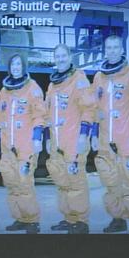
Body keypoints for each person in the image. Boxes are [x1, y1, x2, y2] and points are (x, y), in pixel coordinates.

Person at [91, 35, 129, 234]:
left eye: (116, 47)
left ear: (122, 49)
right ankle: (118, 219)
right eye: (109, 47)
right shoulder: (99, 77)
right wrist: (92, 134)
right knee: (110, 183)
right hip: (105, 141)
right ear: (105, 50)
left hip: (126, 138)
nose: (113, 50)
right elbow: (94, 109)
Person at [44, 44, 96, 234]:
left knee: (76, 182)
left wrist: (83, 136)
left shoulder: (79, 79)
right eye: (57, 56)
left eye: (63, 56)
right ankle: (68, 218)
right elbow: (48, 113)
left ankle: (81, 222)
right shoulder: (52, 85)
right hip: (56, 142)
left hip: (74, 139)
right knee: (62, 182)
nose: (60, 59)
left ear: (70, 57)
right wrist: (48, 138)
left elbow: (88, 109)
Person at [0, 54, 46, 233]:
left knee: (25, 184)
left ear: (23, 66)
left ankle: (33, 221)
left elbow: (40, 115)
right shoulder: (4, 91)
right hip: (7, 145)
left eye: (18, 64)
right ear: (9, 67)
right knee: (11, 184)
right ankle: (20, 219)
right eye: (13, 64)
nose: (16, 67)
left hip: (25, 145)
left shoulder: (32, 88)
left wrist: (37, 137)